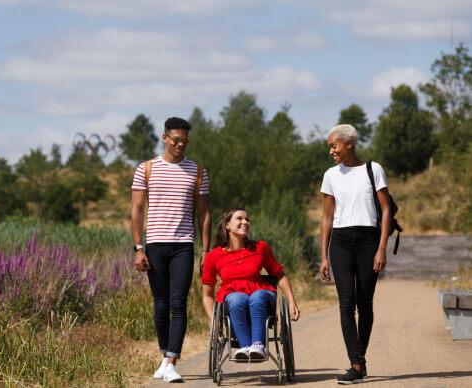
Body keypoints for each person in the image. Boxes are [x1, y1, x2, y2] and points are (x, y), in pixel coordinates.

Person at [130, 117, 212, 383]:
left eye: (185, 140)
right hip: (154, 244)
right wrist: (138, 248)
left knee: (179, 303)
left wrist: (206, 250)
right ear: (164, 138)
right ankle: (165, 355)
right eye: (176, 139)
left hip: (183, 246)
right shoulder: (147, 169)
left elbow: (204, 214)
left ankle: (171, 360)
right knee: (160, 305)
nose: (181, 144)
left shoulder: (198, 171)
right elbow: (137, 210)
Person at [319, 124, 391, 385]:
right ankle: (356, 363)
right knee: (346, 303)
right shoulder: (330, 175)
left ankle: (360, 360)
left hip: (368, 240)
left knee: (365, 303)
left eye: (334, 145)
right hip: (340, 241)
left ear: (348, 144)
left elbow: (385, 211)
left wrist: (381, 248)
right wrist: (324, 255)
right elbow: (327, 217)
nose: (331, 151)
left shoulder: (374, 169)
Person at [201, 208, 300, 360]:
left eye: (247, 219)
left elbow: (280, 275)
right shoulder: (213, 256)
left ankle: (258, 346)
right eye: (239, 219)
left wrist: (292, 301)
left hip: (261, 293)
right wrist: (213, 321)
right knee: (235, 298)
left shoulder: (260, 248)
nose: (245, 222)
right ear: (227, 225)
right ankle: (245, 347)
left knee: (257, 296)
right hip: (232, 298)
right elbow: (207, 294)